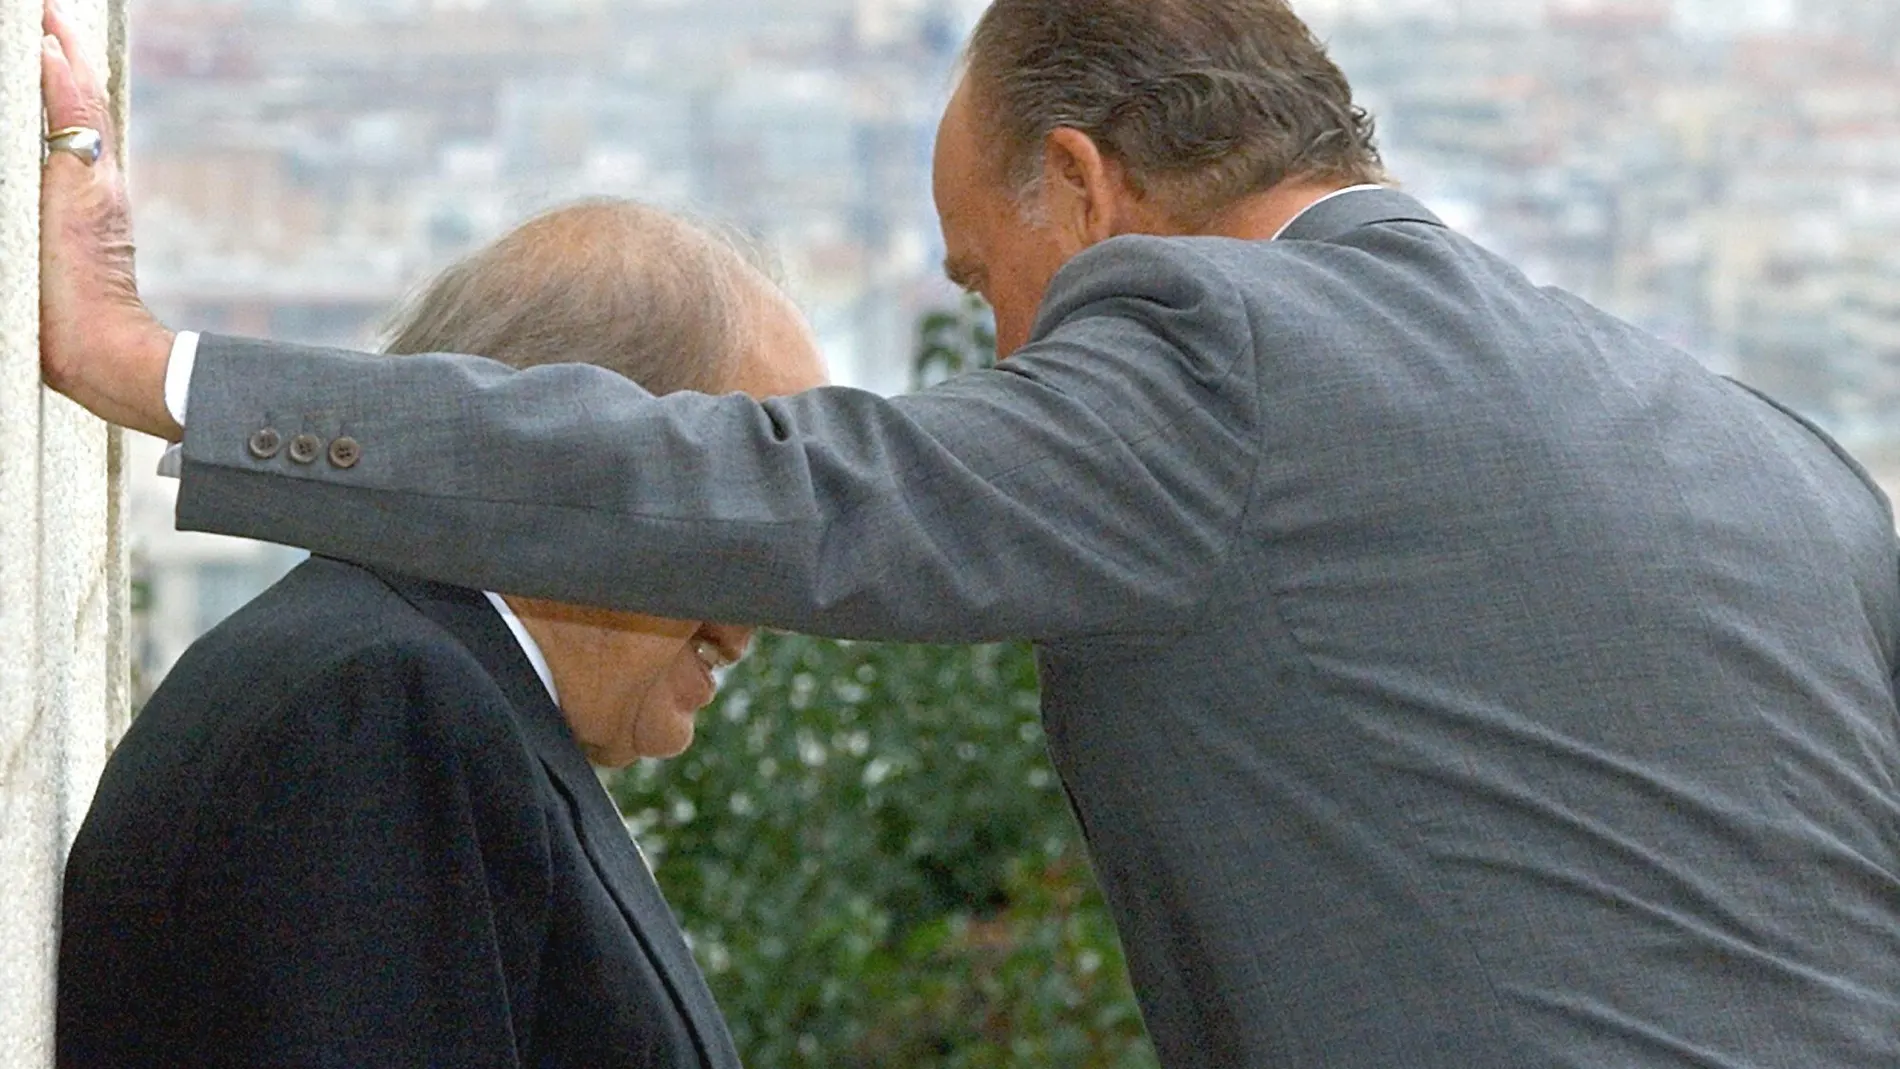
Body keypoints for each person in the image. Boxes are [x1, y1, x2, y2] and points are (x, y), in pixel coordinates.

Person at [39, 1, 1900, 1066]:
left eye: (989, 286)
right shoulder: (1772, 454)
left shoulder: (1213, 345)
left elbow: (751, 489)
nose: (1010, 359)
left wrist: (152, 367)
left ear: (1085, 189)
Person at [55, 198, 827, 1069]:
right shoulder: (379, 711)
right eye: (749, 518)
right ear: (577, 459)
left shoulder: (429, 690)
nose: (760, 613)